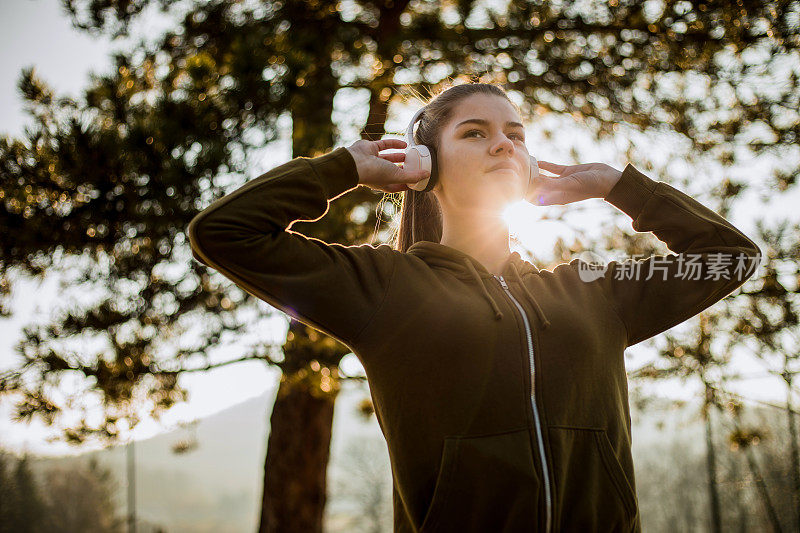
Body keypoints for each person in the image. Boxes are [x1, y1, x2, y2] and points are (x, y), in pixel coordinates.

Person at [187, 82, 762, 532]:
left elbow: (730, 256)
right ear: (426, 167)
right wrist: (348, 169)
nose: (504, 143)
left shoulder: (591, 292)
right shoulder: (385, 290)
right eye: (475, 133)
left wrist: (619, 186)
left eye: (515, 133)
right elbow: (226, 233)